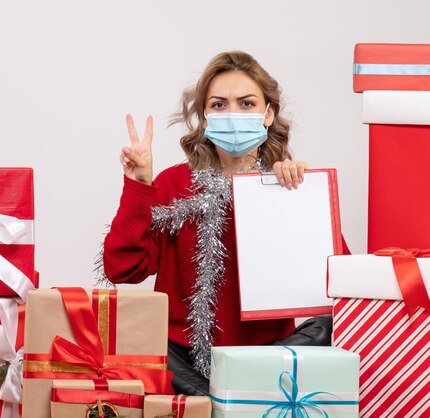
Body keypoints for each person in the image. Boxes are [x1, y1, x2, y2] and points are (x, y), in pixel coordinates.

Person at [103, 51, 349, 395]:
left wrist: (302, 199)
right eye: (219, 105)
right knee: (138, 337)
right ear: (205, 116)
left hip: (267, 359)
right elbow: (121, 268)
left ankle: (237, 394)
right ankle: (218, 401)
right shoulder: (175, 183)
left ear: (268, 114)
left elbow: (343, 288)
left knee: (335, 324)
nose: (232, 113)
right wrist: (140, 185)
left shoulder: (289, 185)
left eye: (246, 104)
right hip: (183, 360)